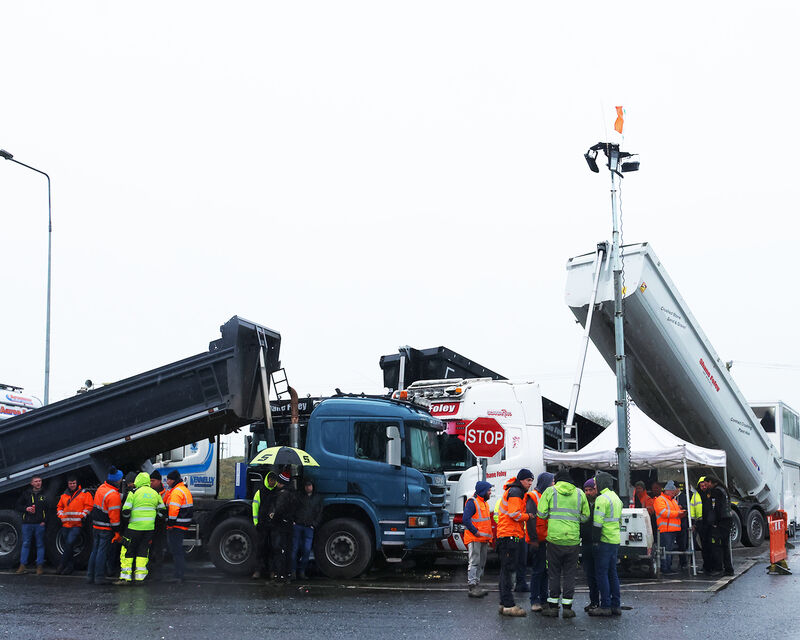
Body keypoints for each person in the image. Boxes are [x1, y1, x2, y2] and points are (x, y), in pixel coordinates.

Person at [537, 469, 589, 618]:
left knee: (553, 573)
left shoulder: (550, 491)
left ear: (557, 479)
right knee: (570, 574)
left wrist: (551, 516)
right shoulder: (579, 493)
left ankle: (553, 607)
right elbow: (586, 517)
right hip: (572, 540)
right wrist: (574, 519)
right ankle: (567, 608)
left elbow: (541, 513)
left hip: (554, 539)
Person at [116, 472, 165, 584]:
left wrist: (127, 520)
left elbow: (126, 511)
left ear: (138, 480)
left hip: (134, 528)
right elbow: (162, 512)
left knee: (127, 550)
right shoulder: (155, 493)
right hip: (149, 529)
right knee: (143, 552)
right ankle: (139, 577)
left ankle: (126, 577)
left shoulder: (133, 493)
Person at [496, 468, 533, 617]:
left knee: (505, 570)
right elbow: (515, 514)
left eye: (531, 480)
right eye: (528, 480)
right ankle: (509, 605)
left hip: (506, 535)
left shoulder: (513, 490)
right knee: (508, 570)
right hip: (509, 535)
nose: (530, 483)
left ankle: (503, 603)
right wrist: (528, 516)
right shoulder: (516, 492)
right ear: (521, 480)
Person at [588, 471, 623, 617]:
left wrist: (595, 541)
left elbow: (597, 524)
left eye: (596, 483)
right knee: (612, 573)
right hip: (615, 540)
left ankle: (605, 605)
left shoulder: (602, 499)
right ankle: (616, 605)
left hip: (604, 540)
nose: (595, 486)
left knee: (601, 573)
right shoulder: (617, 499)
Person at [87, 467, 123, 585]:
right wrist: (117, 532)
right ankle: (99, 577)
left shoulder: (102, 488)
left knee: (95, 551)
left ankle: (90, 576)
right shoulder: (114, 496)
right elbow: (114, 518)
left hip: (96, 526)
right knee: (102, 552)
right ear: (117, 480)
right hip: (105, 528)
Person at [525, 472, 553, 612]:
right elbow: (530, 520)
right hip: (537, 540)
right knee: (538, 571)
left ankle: (543, 599)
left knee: (544, 571)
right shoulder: (534, 497)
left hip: (544, 538)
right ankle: (535, 600)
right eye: (552, 482)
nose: (553, 484)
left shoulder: (543, 495)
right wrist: (534, 539)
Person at [55, 475, 93, 574]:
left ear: (77, 484)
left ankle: (62, 565)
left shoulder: (84, 494)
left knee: (69, 544)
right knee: (69, 546)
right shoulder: (64, 495)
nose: (72, 485)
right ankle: (70, 567)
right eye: (70, 483)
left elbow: (89, 506)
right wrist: (61, 516)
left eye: (74, 483)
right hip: (66, 524)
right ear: (68, 484)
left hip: (77, 524)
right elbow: (59, 507)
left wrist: (82, 516)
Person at [462, 480, 493, 598]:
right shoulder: (472, 502)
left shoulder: (483, 503)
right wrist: (476, 532)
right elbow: (466, 519)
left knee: (481, 563)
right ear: (483, 491)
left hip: (482, 539)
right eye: (489, 490)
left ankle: (476, 585)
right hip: (475, 538)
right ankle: (472, 586)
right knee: (474, 562)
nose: (490, 492)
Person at [15, 475, 49, 575]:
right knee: (26, 544)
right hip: (27, 523)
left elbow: (49, 509)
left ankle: (39, 567)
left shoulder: (45, 494)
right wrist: (26, 509)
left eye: (40, 481)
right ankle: (22, 566)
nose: (38, 483)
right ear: (32, 483)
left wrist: (45, 521)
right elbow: (18, 505)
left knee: (40, 545)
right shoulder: (26, 494)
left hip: (39, 524)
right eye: (36, 481)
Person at [292, 478, 323, 580]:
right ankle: (293, 571)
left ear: (313, 486)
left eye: (309, 485)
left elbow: (319, 513)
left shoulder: (317, 498)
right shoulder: (299, 496)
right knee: (295, 549)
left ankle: (301, 571)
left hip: (308, 527)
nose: (308, 487)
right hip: (299, 525)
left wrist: (314, 524)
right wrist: (294, 521)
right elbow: (293, 508)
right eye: (306, 485)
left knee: (306, 550)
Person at [269, 470, 296, 582]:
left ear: (281, 483)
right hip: (288, 525)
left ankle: (280, 574)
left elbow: (279, 510)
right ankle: (288, 573)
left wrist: (273, 517)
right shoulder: (292, 494)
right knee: (288, 549)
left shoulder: (281, 495)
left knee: (278, 549)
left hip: (280, 526)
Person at [705, 475, 734, 577]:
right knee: (725, 546)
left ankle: (719, 568)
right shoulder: (723, 490)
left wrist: (715, 523)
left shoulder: (716, 492)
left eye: (706, 483)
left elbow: (716, 508)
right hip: (727, 520)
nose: (705, 485)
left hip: (721, 522)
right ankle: (728, 569)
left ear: (711, 482)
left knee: (716, 545)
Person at [653, 480, 684, 575]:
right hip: (665, 529)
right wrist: (678, 513)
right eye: (674, 491)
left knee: (668, 550)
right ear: (669, 491)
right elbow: (663, 512)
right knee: (666, 550)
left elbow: (672, 512)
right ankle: (665, 568)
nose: (675, 493)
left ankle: (667, 567)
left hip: (671, 530)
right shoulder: (660, 500)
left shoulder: (672, 501)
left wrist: (680, 512)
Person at [252, 471, 278, 579]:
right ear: (267, 480)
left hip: (273, 525)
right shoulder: (260, 492)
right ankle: (258, 570)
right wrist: (256, 522)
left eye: (274, 480)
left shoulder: (278, 492)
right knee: (260, 548)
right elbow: (255, 507)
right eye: (270, 479)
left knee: (273, 548)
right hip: (262, 524)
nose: (272, 482)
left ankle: (272, 571)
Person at [580, 478, 600, 612]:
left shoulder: (600, 501)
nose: (587, 492)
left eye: (590, 490)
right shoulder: (584, 502)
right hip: (587, 542)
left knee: (599, 574)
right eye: (586, 490)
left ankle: (602, 601)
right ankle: (593, 601)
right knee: (590, 574)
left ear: (596, 489)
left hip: (598, 542)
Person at [147, 470, 168, 581]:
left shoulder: (166, 494)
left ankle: (158, 574)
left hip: (160, 527)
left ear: (159, 481)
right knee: (149, 550)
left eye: (153, 481)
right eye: (150, 481)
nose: (151, 483)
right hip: (150, 526)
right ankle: (149, 572)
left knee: (159, 550)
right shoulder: (148, 492)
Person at [692, 477, 711, 572]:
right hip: (700, 522)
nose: (703, 487)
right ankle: (706, 566)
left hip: (710, 522)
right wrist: (693, 523)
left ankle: (712, 565)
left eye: (704, 485)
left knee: (711, 546)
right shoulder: (696, 495)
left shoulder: (711, 494)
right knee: (703, 546)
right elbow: (692, 509)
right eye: (701, 485)